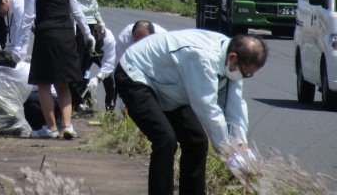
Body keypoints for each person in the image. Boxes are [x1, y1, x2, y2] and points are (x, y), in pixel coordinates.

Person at [114, 30, 268, 195]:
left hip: (169, 86)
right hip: (136, 75)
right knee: (165, 139)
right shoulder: (203, 57)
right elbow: (207, 107)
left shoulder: (234, 61)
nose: (246, 76)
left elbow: (235, 104)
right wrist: (228, 152)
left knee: (197, 141)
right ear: (232, 57)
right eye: (245, 73)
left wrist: (240, 144)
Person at [15, 0, 95, 140]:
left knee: (43, 83)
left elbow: (28, 19)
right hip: (67, 34)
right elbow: (76, 11)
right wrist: (87, 35)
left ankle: (50, 127)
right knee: (63, 83)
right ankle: (67, 125)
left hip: (46, 36)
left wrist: (20, 48)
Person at [59, 0, 106, 110]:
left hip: (91, 22)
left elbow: (92, 0)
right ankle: (76, 100)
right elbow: (68, 0)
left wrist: (99, 21)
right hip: (78, 23)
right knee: (76, 62)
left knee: (89, 61)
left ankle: (82, 98)